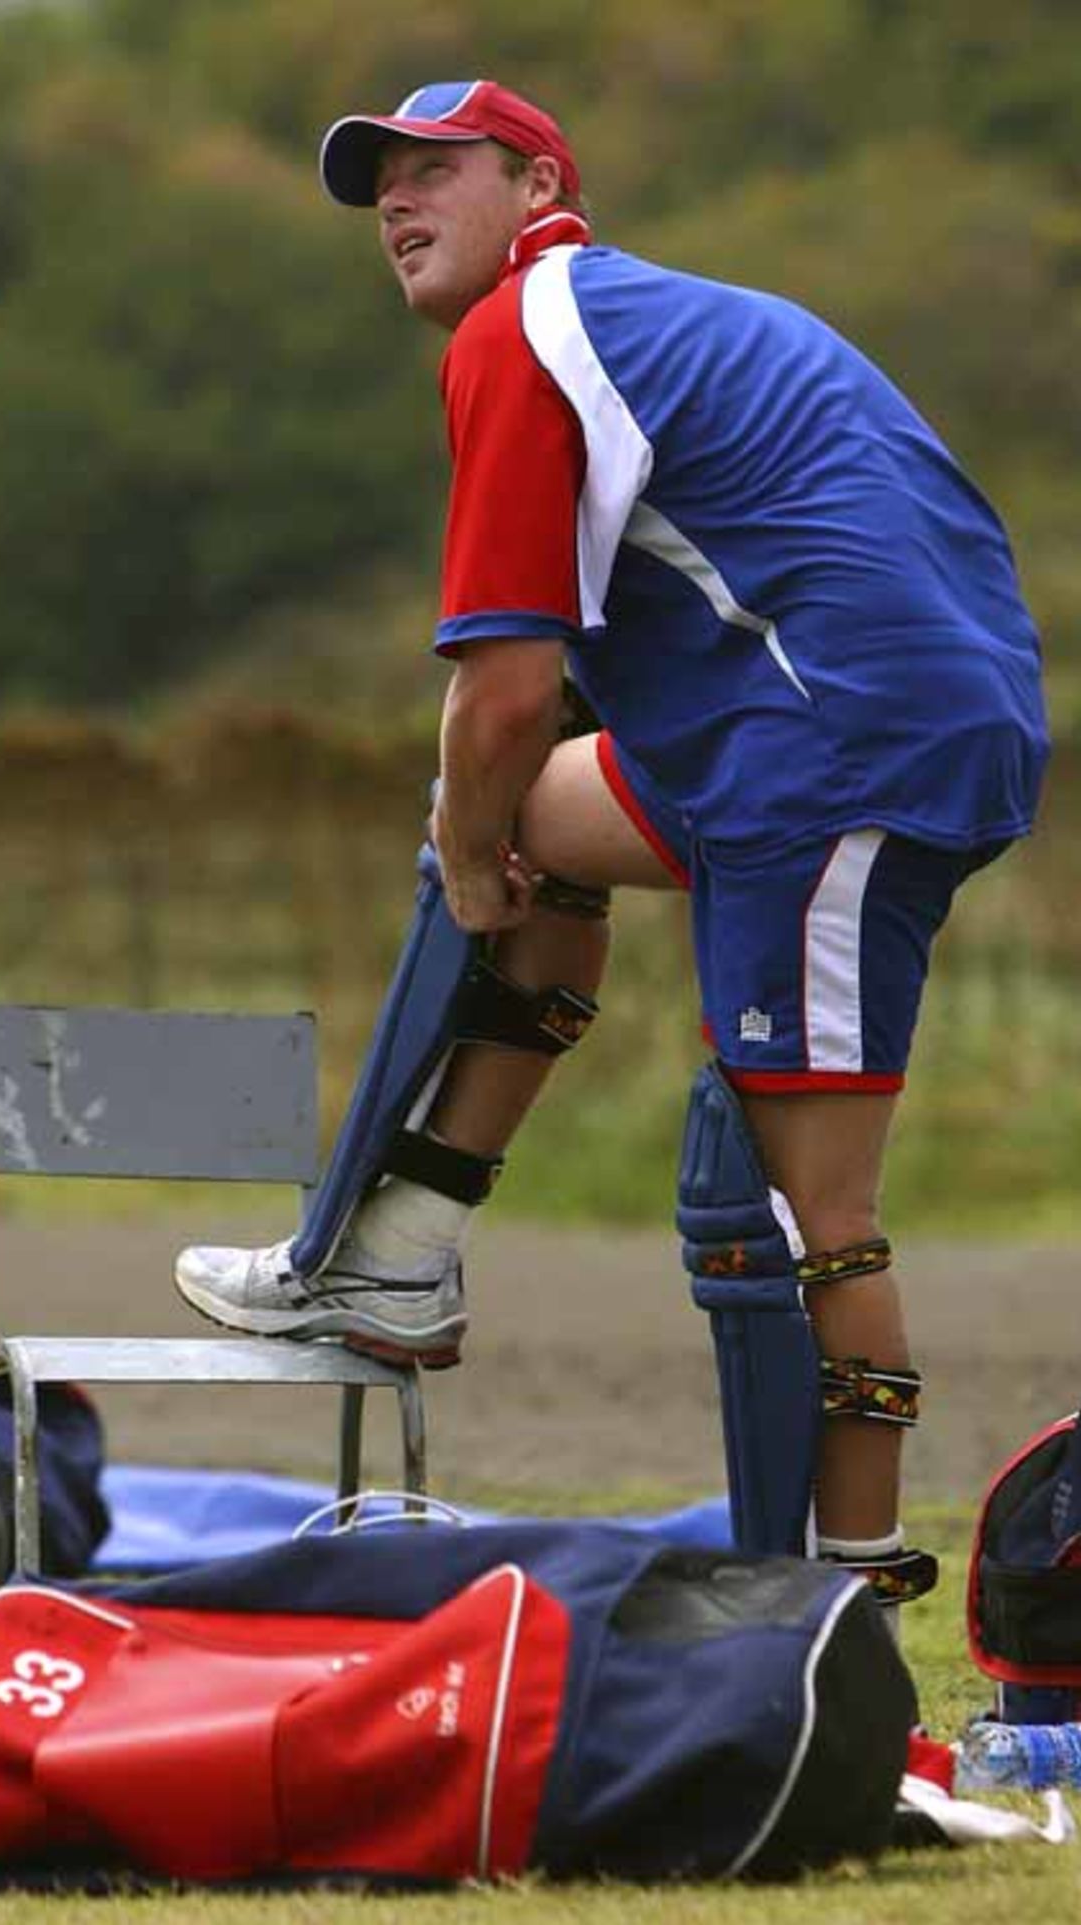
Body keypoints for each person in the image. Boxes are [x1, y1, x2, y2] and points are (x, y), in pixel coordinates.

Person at [176, 81, 1049, 1586]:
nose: (396, 200)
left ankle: (838, 1606)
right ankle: (391, 1253)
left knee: (794, 1207)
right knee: (531, 829)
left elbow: (503, 693)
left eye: (437, 171)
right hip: (824, 719)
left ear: (536, 187)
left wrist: (468, 848)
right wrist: (482, 831)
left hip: (830, 750)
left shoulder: (520, 334)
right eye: (381, 182)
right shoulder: (642, 314)